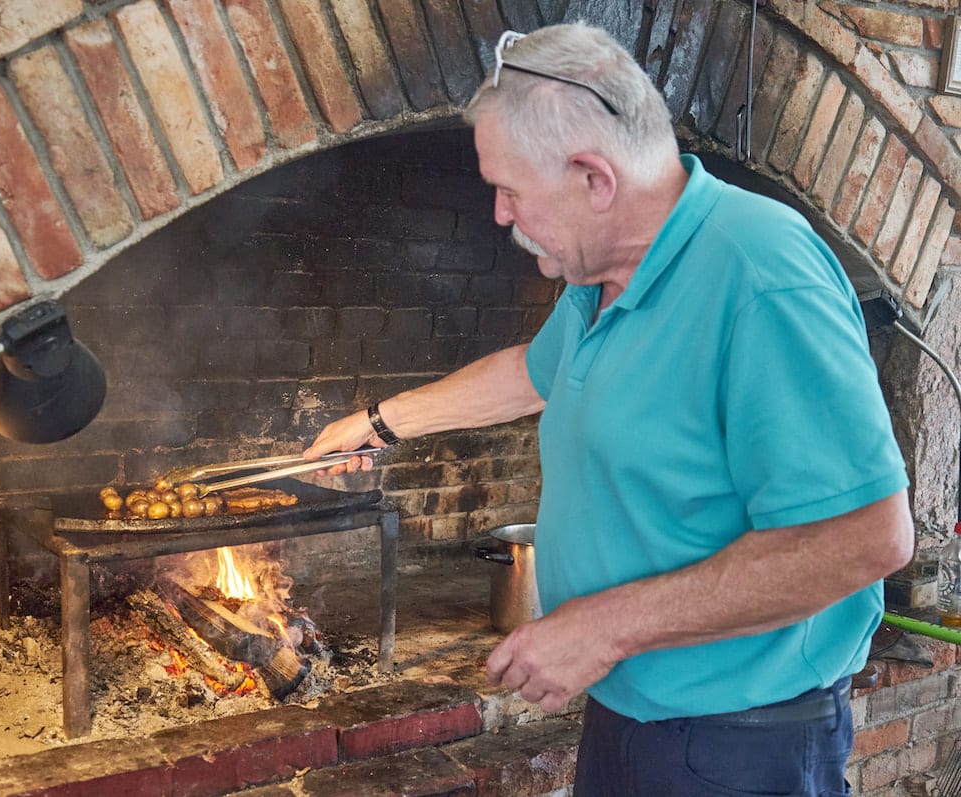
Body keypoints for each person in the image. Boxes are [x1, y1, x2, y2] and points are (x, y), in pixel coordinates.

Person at [303, 21, 915, 797]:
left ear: (594, 177)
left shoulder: (760, 274)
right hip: (629, 714)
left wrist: (600, 629)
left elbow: (868, 536)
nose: (499, 214)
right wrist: (381, 423)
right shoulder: (602, 277)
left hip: (739, 746)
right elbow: (534, 375)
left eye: (510, 190)